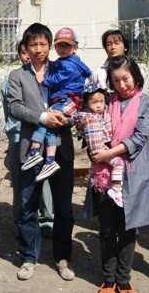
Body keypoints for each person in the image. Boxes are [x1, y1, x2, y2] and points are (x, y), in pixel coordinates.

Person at [85, 55, 149, 293]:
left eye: (126, 78)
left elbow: (140, 137)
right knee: (107, 228)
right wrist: (95, 151)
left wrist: (108, 153)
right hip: (105, 174)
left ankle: (123, 279)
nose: (122, 85)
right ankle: (108, 279)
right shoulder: (106, 101)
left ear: (136, 76)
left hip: (135, 172)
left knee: (129, 228)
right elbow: (91, 126)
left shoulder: (147, 103)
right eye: (116, 80)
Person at [7, 23, 76, 282]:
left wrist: (67, 117)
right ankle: (28, 257)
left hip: (61, 148)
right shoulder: (17, 76)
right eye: (33, 45)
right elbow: (15, 107)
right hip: (31, 150)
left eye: (43, 44)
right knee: (28, 206)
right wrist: (43, 117)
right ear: (25, 48)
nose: (38, 49)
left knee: (64, 209)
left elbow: (76, 97)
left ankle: (63, 257)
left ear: (50, 46)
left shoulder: (63, 69)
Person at [23, 27, 91, 182]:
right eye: (60, 45)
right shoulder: (67, 62)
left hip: (67, 99)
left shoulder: (68, 65)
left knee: (46, 121)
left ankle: (35, 152)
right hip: (66, 99)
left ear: (75, 48)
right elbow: (15, 107)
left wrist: (44, 81)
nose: (63, 49)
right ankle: (49, 160)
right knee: (49, 126)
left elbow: (60, 79)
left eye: (67, 45)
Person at [1, 40, 54, 235]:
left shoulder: (49, 75)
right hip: (19, 139)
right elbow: (11, 110)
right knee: (21, 185)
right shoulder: (12, 78)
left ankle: (47, 220)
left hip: (45, 136)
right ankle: (21, 222)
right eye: (24, 52)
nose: (28, 55)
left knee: (45, 180)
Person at [72, 81, 124, 207]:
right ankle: (116, 189)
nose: (99, 105)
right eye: (94, 102)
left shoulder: (97, 115)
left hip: (100, 149)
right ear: (86, 103)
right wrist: (103, 149)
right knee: (118, 164)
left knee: (93, 170)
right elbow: (94, 136)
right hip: (100, 150)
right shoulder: (89, 118)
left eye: (101, 101)